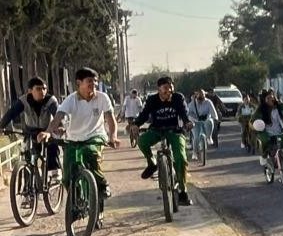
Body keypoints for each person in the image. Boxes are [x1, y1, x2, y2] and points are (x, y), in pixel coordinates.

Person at [38, 68, 120, 222]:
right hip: (73, 140)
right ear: (79, 83)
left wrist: (113, 136)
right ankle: (78, 204)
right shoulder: (71, 100)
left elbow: (110, 119)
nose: (93, 84)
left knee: (90, 154)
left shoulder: (102, 98)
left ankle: (102, 186)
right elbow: (58, 117)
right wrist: (49, 132)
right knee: (68, 177)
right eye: (90, 81)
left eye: (95, 81)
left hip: (95, 136)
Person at [132, 75, 192, 206]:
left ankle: (183, 191)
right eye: (165, 88)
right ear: (158, 89)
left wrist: (187, 122)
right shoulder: (152, 99)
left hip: (175, 131)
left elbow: (184, 112)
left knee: (180, 158)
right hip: (157, 130)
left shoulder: (178, 98)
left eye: (170, 87)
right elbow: (144, 114)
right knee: (142, 141)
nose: (168, 90)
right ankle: (152, 163)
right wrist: (136, 124)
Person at [1, 77, 61, 183]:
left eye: (44, 88)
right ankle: (28, 186)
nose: (42, 91)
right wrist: (1, 126)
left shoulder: (51, 100)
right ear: (30, 91)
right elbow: (11, 114)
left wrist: (58, 127)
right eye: (38, 89)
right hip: (31, 132)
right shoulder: (23, 100)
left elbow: (57, 117)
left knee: (52, 146)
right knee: (27, 157)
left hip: (47, 130)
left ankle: (54, 170)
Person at [255, 88, 283, 169]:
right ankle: (265, 159)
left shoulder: (279, 106)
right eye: (268, 97)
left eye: (272, 96)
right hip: (268, 134)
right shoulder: (261, 109)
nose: (271, 98)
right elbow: (255, 120)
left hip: (279, 132)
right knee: (269, 147)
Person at [186, 89, 217, 161]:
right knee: (196, 137)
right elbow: (188, 113)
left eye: (202, 95)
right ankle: (194, 153)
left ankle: (209, 137)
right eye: (199, 95)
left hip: (205, 120)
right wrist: (191, 120)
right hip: (195, 122)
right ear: (196, 96)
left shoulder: (208, 102)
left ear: (205, 95)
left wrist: (215, 118)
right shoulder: (192, 104)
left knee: (210, 121)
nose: (201, 96)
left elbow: (213, 111)